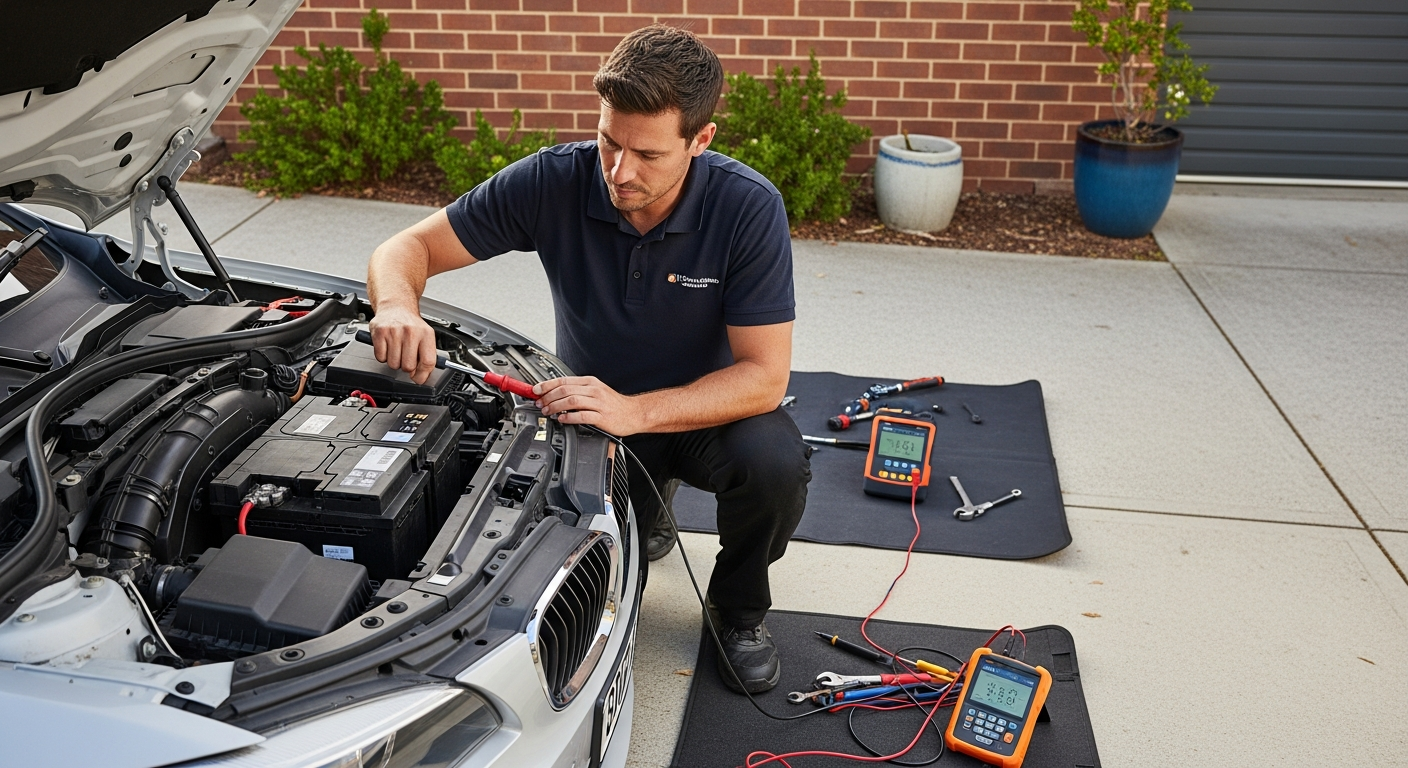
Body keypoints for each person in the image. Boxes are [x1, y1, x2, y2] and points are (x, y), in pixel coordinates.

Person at [364, 25, 809, 694]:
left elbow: (764, 376)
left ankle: (740, 609)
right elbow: (405, 250)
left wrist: (637, 412)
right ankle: (646, 504)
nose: (620, 172)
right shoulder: (555, 179)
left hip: (700, 412)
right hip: (587, 417)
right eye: (609, 142)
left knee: (776, 467)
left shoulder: (748, 208)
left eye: (647, 154)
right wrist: (397, 306)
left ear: (701, 140)